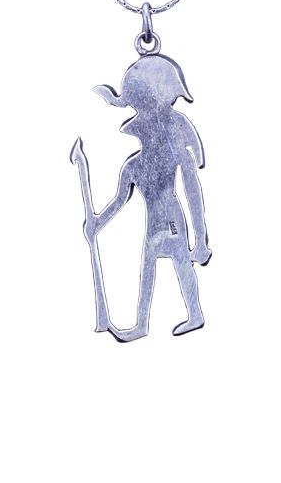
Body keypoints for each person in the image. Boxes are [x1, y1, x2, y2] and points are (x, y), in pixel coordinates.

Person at [85, 54, 211, 341]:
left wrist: (201, 241)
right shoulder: (133, 167)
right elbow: (119, 201)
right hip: (155, 223)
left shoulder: (174, 149)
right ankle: (142, 325)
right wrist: (95, 224)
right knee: (148, 267)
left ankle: (194, 315)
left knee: (180, 259)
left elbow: (192, 189)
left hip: (173, 221)